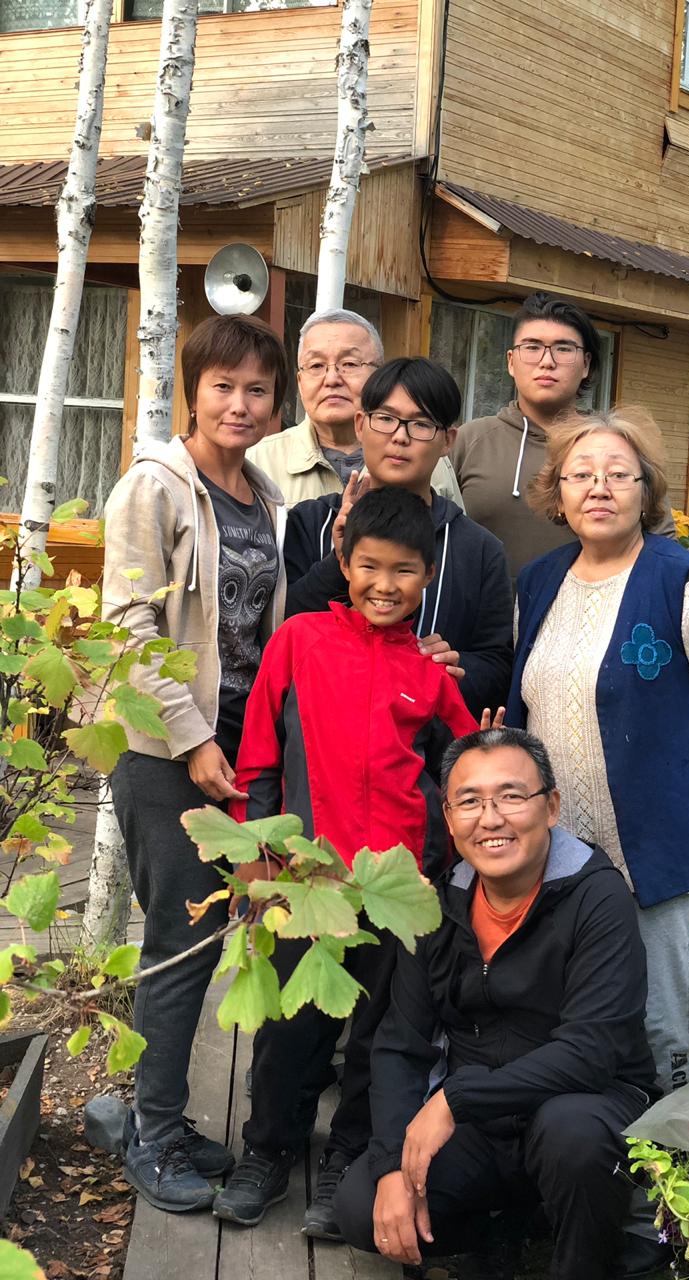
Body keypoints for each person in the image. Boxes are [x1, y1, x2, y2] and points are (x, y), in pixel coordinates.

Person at [211, 487, 481, 1231]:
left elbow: (463, 767)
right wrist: (259, 858)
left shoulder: (428, 674)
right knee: (291, 1026)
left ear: (427, 575)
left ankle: (349, 1158)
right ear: (343, 560)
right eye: (369, 566)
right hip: (307, 880)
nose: (384, 585)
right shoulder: (299, 641)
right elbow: (258, 757)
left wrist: (437, 863)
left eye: (403, 570)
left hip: (396, 888)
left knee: (379, 1032)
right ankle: (268, 1149)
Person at [334, 726, 660, 1280]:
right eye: (469, 801)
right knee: (361, 1207)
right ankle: (508, 1230)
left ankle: (583, 1261)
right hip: (483, 1126)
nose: (490, 819)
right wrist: (391, 1165)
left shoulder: (597, 896)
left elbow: (592, 1051)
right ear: (449, 816)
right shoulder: (439, 905)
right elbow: (400, 1044)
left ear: (551, 807)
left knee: (572, 1136)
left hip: (585, 1104)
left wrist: (455, 1099)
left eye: (511, 796)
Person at [506, 408, 689, 1095]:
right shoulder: (539, 581)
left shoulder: (686, 583)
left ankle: (667, 1148)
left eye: (618, 474)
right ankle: (585, 1147)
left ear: (646, 491)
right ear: (557, 491)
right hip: (559, 849)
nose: (599, 487)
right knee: (567, 1010)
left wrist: (671, 772)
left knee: (657, 1020)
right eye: (580, 475)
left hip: (658, 843)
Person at [102, 314, 289, 1212]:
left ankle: (157, 1115)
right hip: (164, 750)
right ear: (193, 391)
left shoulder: (263, 497)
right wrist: (192, 738)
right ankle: (152, 1135)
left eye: (257, 389)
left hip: (236, 751)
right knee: (179, 943)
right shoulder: (155, 487)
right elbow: (128, 626)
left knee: (207, 938)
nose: (240, 403)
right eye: (223, 386)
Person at [284, 357, 513, 718]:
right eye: (386, 419)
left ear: (448, 441)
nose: (400, 436)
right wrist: (338, 559)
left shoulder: (479, 549)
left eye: (421, 424)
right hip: (316, 739)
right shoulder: (312, 522)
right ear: (361, 424)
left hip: (428, 748)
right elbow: (280, 629)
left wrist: (456, 667)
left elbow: (497, 667)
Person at [451, 292, 675, 579]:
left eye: (564, 348)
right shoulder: (468, 442)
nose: (547, 361)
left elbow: (663, 543)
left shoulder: (619, 447)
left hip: (594, 606)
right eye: (532, 347)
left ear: (586, 364)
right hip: (482, 609)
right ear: (511, 361)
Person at [246, 307, 461, 505]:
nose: (331, 379)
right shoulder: (258, 461)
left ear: (379, 376)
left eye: (349, 364)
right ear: (300, 383)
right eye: (316, 365)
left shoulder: (426, 456)